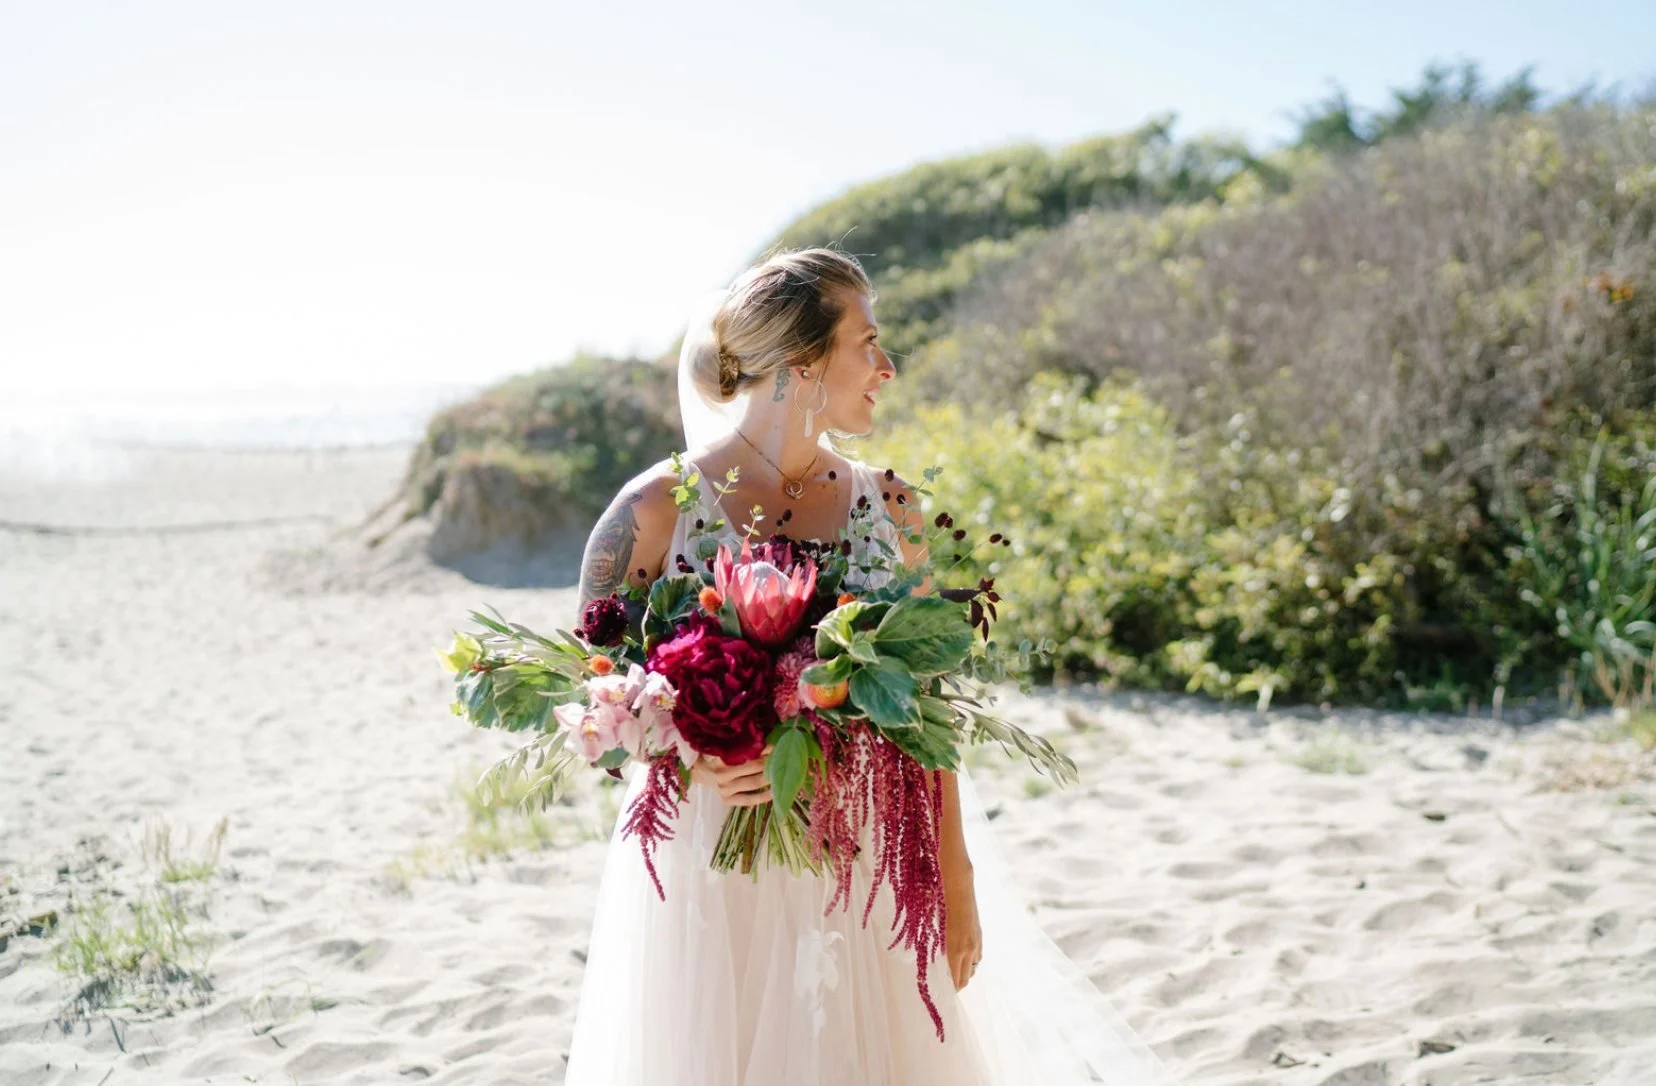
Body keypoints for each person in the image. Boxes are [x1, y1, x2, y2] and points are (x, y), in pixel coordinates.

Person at [563, 248, 1178, 1085]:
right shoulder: (654, 510)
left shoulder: (891, 507)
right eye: (868, 342)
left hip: (870, 851)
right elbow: (592, 692)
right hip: (707, 867)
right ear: (803, 362)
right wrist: (691, 757)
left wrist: (953, 874)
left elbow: (932, 711)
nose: (887, 367)